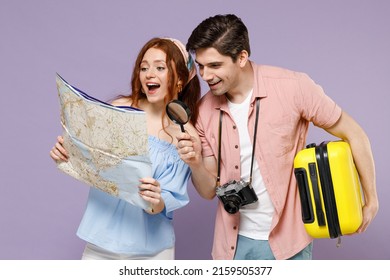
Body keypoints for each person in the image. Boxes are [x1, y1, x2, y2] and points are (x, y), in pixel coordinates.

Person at [177, 14, 378, 260]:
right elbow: (208, 191)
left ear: (241, 57)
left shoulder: (293, 87)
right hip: (231, 247)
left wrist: (371, 199)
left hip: (289, 243)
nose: (206, 76)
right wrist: (195, 162)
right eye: (201, 66)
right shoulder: (204, 110)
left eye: (215, 66)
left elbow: (355, 134)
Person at [50, 37, 201, 260]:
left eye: (160, 67)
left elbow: (170, 197)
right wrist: (67, 152)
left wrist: (156, 200)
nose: (149, 74)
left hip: (152, 253)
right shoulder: (118, 108)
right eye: (143, 67)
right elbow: (93, 158)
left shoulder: (185, 134)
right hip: (100, 243)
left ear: (180, 78)